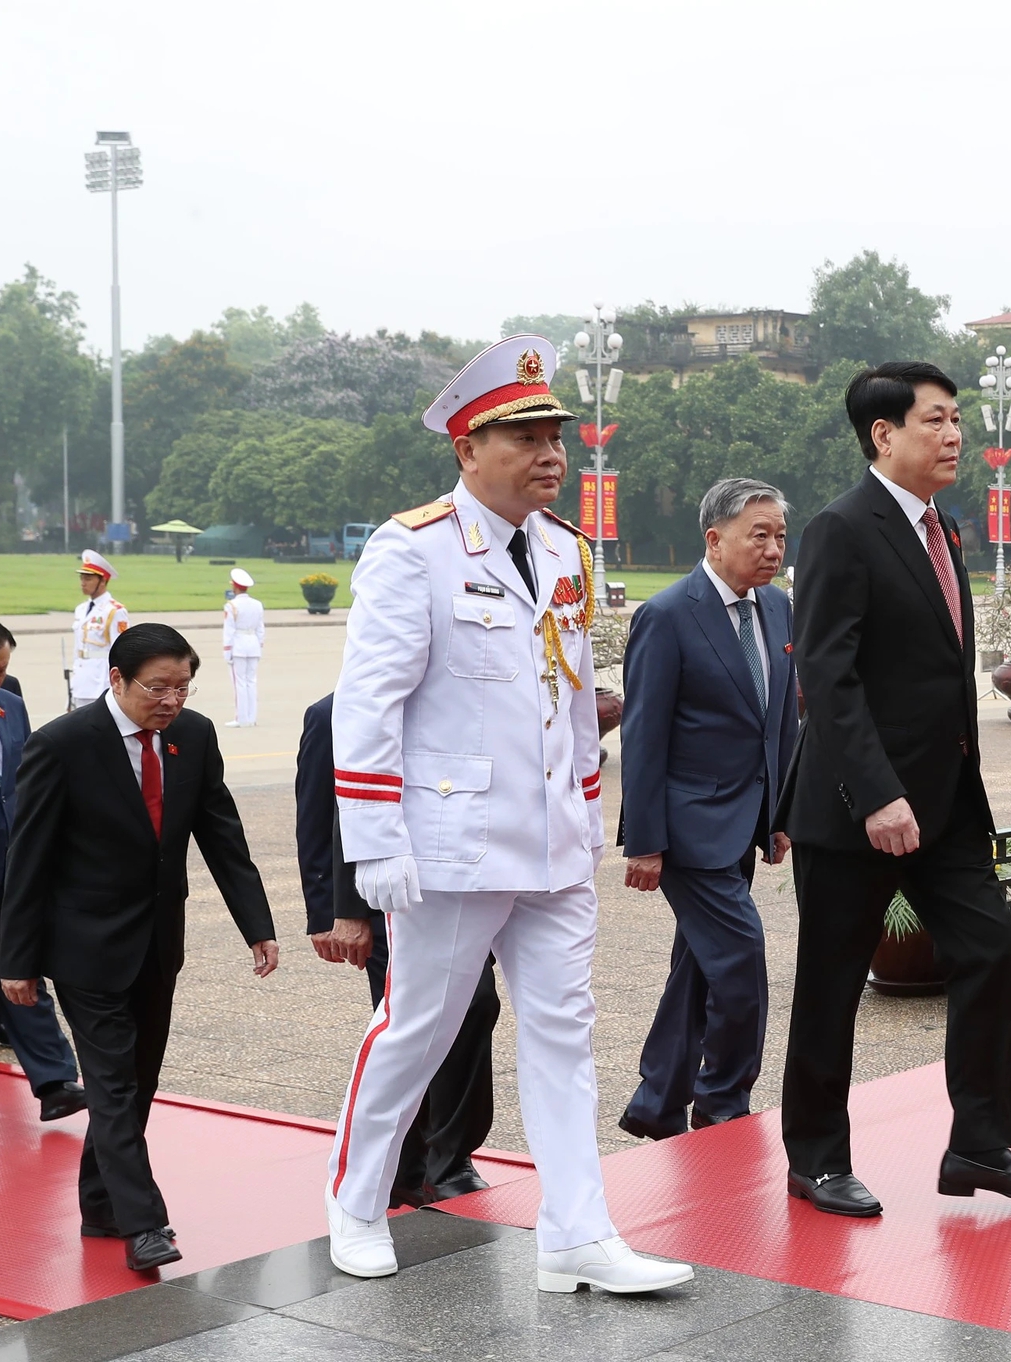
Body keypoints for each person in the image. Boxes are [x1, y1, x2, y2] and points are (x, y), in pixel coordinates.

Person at [323, 335, 688, 1294]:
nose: (550, 453)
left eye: (554, 434)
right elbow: (370, 704)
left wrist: (586, 807)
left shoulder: (564, 548)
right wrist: (374, 841)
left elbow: (571, 699)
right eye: (524, 435)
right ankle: (357, 1199)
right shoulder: (416, 550)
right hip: (453, 844)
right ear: (466, 448)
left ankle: (576, 1231)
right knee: (420, 1030)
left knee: (566, 1033)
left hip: (553, 846)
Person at [778, 361, 1011, 1218]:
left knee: (987, 950)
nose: (956, 436)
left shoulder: (943, 529)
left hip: (945, 805)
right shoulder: (842, 529)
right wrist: (877, 794)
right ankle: (817, 1159)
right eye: (937, 421)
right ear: (884, 434)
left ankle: (981, 1145)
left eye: (957, 419)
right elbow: (827, 678)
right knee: (831, 984)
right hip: (854, 810)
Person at [0, 623, 277, 1273]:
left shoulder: (194, 736)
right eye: (158, 687)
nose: (172, 700)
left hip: (157, 940)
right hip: (83, 946)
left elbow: (221, 832)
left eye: (183, 687)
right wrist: (15, 960)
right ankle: (143, 1223)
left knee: (138, 1079)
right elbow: (28, 857)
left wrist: (256, 924)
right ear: (116, 680)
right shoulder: (62, 745)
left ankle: (99, 1203)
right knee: (113, 1082)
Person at [617, 478, 799, 1142]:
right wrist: (644, 840)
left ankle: (657, 1101)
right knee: (742, 959)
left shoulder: (777, 609)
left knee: (699, 966)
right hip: (688, 829)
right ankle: (722, 1103)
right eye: (760, 534)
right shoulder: (667, 615)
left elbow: (781, 720)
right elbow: (644, 735)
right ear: (714, 538)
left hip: (747, 821)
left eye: (781, 535)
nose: (774, 548)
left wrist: (783, 814)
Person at [296, 693, 499, 1206]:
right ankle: (417, 1164)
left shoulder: (456, 707)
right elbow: (320, 815)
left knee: (474, 1009)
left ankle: (445, 1157)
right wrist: (332, 912)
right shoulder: (332, 715)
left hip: (458, 890)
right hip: (384, 902)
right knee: (412, 1025)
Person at [0, 621, 87, 1122]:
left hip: (9, 864)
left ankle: (55, 1081)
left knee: (18, 964)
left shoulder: (9, 707)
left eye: (4, 672)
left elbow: (29, 785)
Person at [70, 551, 130, 710]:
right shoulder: (81, 610)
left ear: (103, 580)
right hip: (81, 680)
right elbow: (78, 649)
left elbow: (121, 651)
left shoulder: (114, 611)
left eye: (88, 578)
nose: (83, 582)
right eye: (82, 578)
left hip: (101, 681)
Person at [222, 569, 265, 729]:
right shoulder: (257, 604)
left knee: (239, 682)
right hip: (253, 644)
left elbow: (229, 631)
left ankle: (241, 718)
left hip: (238, 645)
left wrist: (227, 651)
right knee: (251, 682)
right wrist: (259, 645)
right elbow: (261, 629)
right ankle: (251, 717)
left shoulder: (231, 606)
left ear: (235, 587)